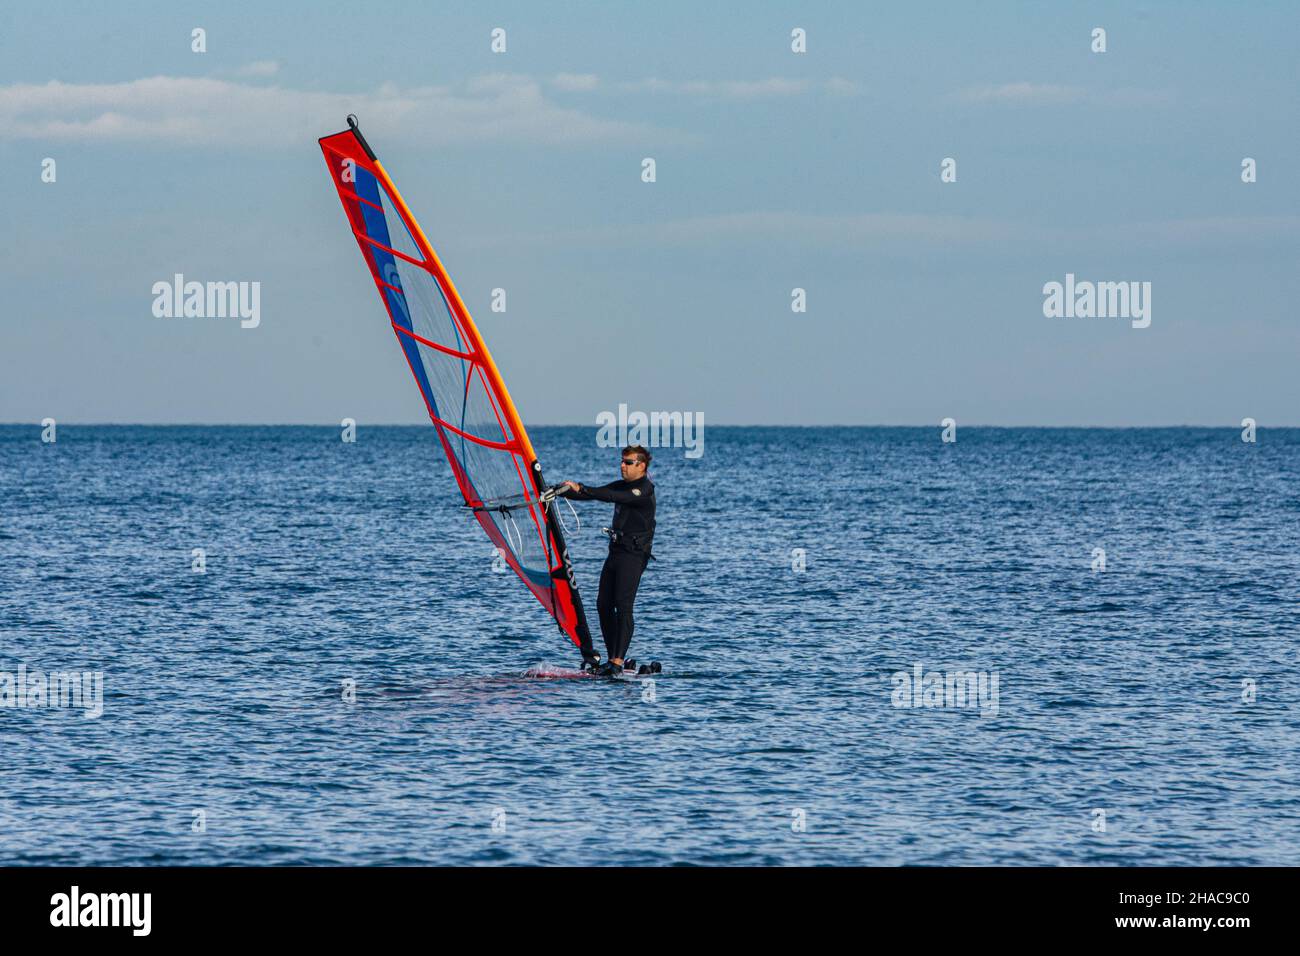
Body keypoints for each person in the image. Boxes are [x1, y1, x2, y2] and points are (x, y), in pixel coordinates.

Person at [560, 445, 656, 675]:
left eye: (628, 462)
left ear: (641, 466)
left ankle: (617, 661)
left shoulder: (643, 490)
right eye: (621, 461)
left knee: (623, 607)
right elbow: (597, 493)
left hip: (633, 555)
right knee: (603, 605)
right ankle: (613, 658)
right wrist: (561, 491)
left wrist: (582, 487)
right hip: (615, 552)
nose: (622, 465)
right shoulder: (623, 486)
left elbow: (610, 496)